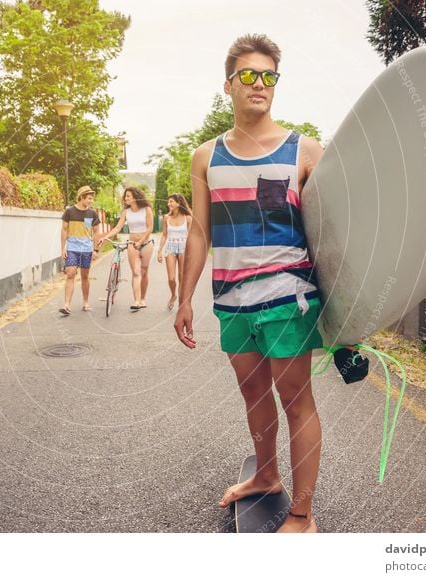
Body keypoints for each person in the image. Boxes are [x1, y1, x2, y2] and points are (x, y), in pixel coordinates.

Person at [174, 34, 325, 533]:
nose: (259, 84)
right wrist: (183, 299)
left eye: (269, 77)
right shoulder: (205, 157)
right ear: (228, 85)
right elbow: (200, 231)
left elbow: (336, 232)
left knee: (296, 401)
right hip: (231, 301)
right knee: (254, 398)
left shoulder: (304, 150)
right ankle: (266, 477)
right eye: (248, 76)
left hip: (288, 299)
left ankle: (302, 517)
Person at [101, 187, 154, 310]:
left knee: (144, 271)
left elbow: (150, 228)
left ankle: (143, 299)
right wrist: (105, 237)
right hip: (132, 244)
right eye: (125, 196)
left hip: (146, 244)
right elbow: (117, 228)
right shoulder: (126, 212)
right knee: (136, 272)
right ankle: (136, 301)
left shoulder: (146, 210)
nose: (126, 198)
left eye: (128, 196)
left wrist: (141, 241)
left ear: (135, 197)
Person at [60, 185, 102, 315]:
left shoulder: (92, 213)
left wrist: (95, 250)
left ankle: (85, 302)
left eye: (91, 199)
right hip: (72, 248)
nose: (91, 201)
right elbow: (64, 230)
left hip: (86, 249)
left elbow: (96, 232)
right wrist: (63, 248)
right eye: (89, 198)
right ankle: (66, 305)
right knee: (70, 274)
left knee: (85, 276)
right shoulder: (69, 212)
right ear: (81, 197)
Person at [157, 194, 193, 311]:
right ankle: (173, 295)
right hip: (170, 247)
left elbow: (191, 237)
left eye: (171, 202)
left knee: (182, 277)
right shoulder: (166, 218)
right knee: (172, 278)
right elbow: (164, 235)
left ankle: (182, 303)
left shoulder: (188, 218)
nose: (169, 204)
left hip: (183, 248)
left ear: (178, 203)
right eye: (168, 202)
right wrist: (159, 251)